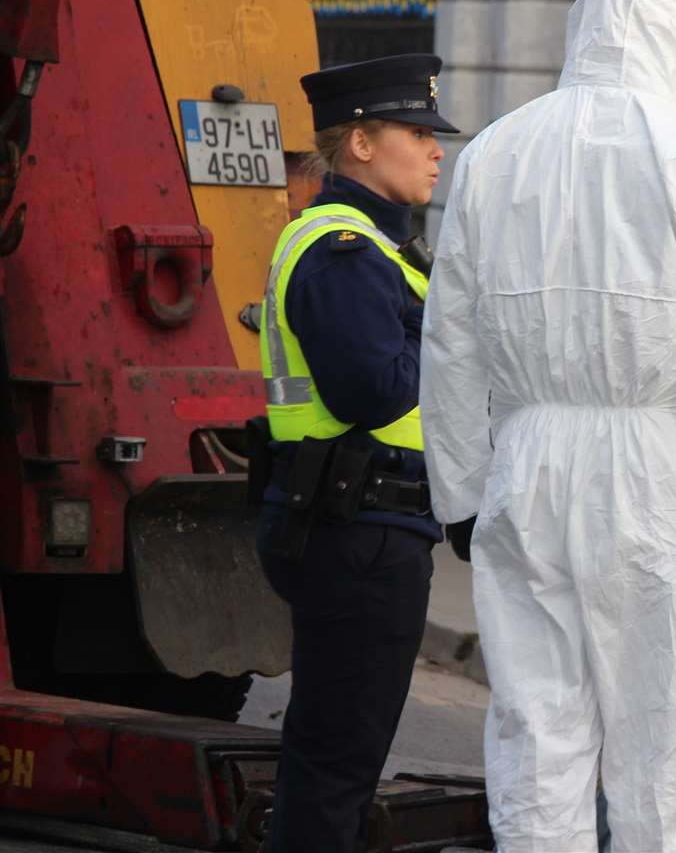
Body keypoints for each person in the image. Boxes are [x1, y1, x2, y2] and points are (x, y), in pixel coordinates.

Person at [420, 0, 676, 853]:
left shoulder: (495, 155)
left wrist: (459, 491)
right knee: (661, 748)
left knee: (537, 733)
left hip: (528, 467)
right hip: (659, 477)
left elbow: (451, 341)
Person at [253, 54, 455, 852]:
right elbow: (370, 391)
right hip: (360, 527)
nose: (437, 150)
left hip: (358, 522)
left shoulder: (373, 248)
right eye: (418, 132)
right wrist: (443, 334)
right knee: (336, 769)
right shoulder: (345, 251)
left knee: (331, 759)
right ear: (362, 144)